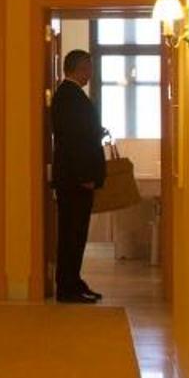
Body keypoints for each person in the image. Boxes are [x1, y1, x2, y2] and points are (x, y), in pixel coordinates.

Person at [50, 49, 107, 303]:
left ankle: (74, 280)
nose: (91, 73)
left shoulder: (71, 95)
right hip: (75, 179)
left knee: (77, 233)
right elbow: (73, 140)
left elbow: (81, 132)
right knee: (72, 233)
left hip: (76, 177)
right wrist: (85, 175)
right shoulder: (68, 96)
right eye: (89, 68)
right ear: (80, 68)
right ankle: (67, 286)